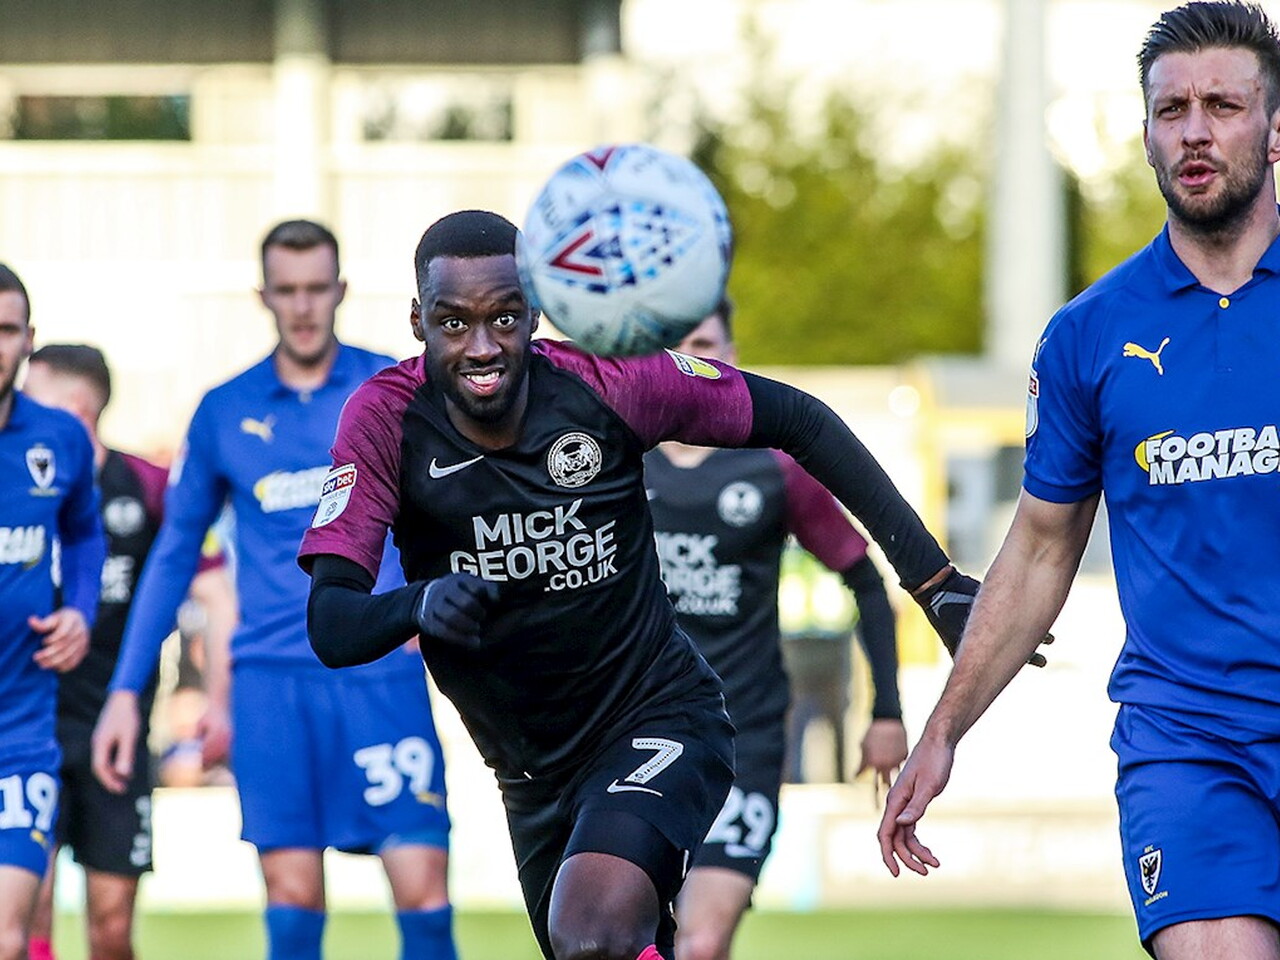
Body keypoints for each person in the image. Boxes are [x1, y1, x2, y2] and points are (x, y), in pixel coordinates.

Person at [299, 209, 985, 960]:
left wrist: (934, 581)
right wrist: (422, 601)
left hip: (658, 717)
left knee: (593, 933)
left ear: (536, 312)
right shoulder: (384, 421)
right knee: (598, 946)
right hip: (530, 775)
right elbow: (332, 624)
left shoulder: (611, 383)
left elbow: (802, 420)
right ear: (418, 322)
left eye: (505, 317)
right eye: (454, 323)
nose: (483, 345)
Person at [878, 3, 1280, 957]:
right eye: (1171, 109)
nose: (1194, 131)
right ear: (1145, 135)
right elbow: (1038, 550)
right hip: (1188, 740)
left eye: (1223, 105)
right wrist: (944, 730)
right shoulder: (1088, 336)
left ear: (1274, 127)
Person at [90, 220, 458, 960]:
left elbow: (459, 503)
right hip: (270, 686)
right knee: (292, 900)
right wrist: (127, 690)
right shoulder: (224, 409)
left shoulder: (392, 386)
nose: (303, 305)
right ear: (264, 296)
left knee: (423, 892)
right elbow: (173, 555)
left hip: (379, 673)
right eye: (287, 290)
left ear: (341, 290)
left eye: (316, 288)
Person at [642, 302, 907, 960]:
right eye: (675, 343)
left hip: (744, 739)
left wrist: (887, 712)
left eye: (705, 343)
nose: (690, 358)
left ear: (731, 357)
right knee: (635, 938)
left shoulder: (773, 466)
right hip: (635, 736)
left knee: (701, 943)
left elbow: (866, 581)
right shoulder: (617, 460)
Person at [21, 344, 237, 960]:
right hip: (27, 729)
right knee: (27, 908)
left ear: (76, 411)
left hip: (114, 733)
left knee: (112, 926)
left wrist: (219, 702)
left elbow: (216, 597)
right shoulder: (18, 486)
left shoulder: (148, 487)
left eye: (32, 398)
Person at [0, 266, 105, 960]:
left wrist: (80, 612)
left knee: (8, 938)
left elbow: (84, 533)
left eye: (5, 330)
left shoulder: (58, 438)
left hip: (21, 730)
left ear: (28, 340)